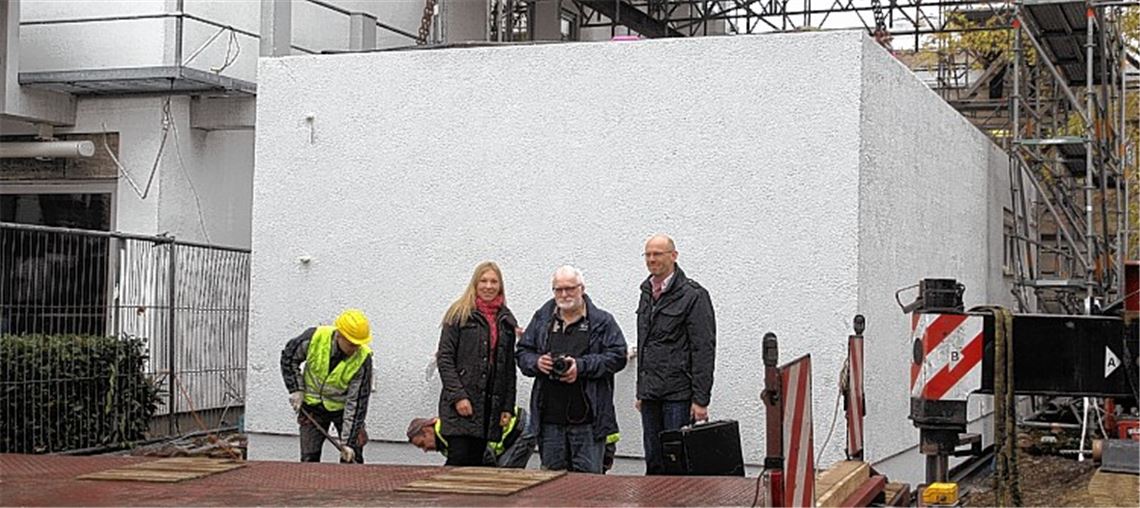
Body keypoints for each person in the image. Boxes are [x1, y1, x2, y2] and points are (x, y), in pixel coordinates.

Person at [517, 265, 627, 473]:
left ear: (582, 288)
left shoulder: (602, 321)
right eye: (558, 289)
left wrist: (581, 366)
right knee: (551, 488)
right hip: (549, 421)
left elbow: (617, 356)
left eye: (570, 288)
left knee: (588, 489)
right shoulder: (542, 319)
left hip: (588, 422)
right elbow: (522, 352)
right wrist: (537, 362)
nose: (564, 294)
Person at [636, 234, 716, 475]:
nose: (652, 259)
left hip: (678, 396)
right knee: (654, 463)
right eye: (648, 254)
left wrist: (701, 400)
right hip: (651, 396)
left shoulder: (693, 295)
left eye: (658, 253)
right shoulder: (646, 292)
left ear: (674, 255)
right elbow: (645, 344)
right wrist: (641, 390)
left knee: (677, 465)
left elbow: (703, 349)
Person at [435, 261, 519, 466]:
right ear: (475, 284)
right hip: (461, 405)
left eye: (493, 281)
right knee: (458, 459)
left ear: (500, 286)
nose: (488, 286)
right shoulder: (458, 315)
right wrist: (459, 397)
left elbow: (509, 368)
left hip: (490, 407)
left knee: (477, 463)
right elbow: (444, 358)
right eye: (483, 281)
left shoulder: (506, 320)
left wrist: (507, 407)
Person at [280, 309, 374, 463]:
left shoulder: (363, 360)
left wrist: (348, 443)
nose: (355, 349)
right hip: (312, 406)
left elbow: (356, 403)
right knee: (309, 458)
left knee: (352, 455)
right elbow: (289, 358)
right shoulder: (313, 339)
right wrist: (296, 389)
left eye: (359, 344)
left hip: (343, 410)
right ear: (339, 335)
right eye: (351, 344)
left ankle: (350, 481)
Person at [406, 405, 535, 468]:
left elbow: (486, 455)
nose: (425, 450)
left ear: (427, 430)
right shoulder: (444, 441)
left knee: (503, 478)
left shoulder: (450, 432)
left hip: (519, 429)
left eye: (422, 444)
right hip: (515, 428)